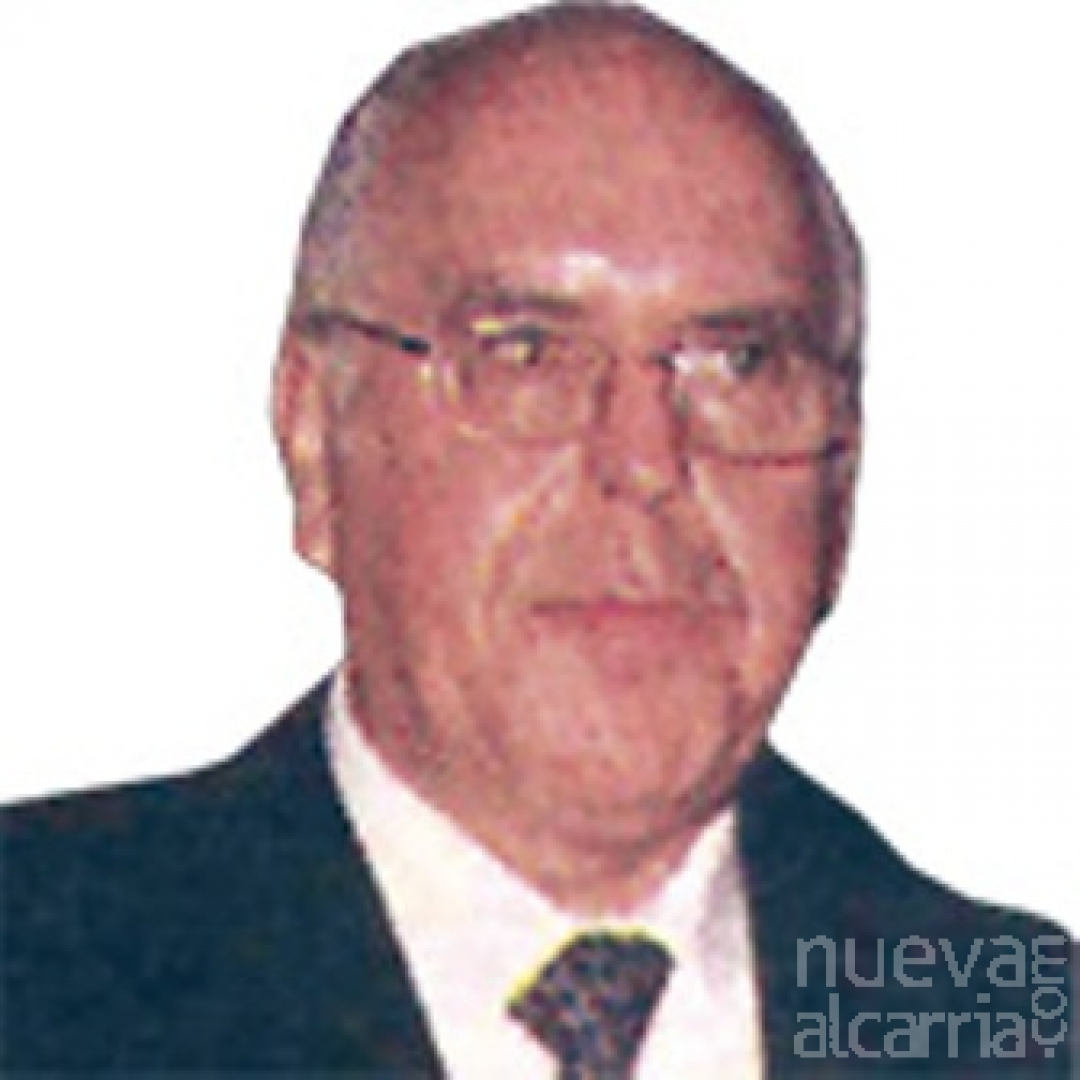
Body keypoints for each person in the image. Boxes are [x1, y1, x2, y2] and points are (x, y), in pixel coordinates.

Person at [2, 3, 1070, 1076]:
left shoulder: (1017, 1023)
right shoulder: (38, 976)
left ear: (842, 474)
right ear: (317, 438)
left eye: (741, 365)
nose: (645, 462)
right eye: (527, 355)